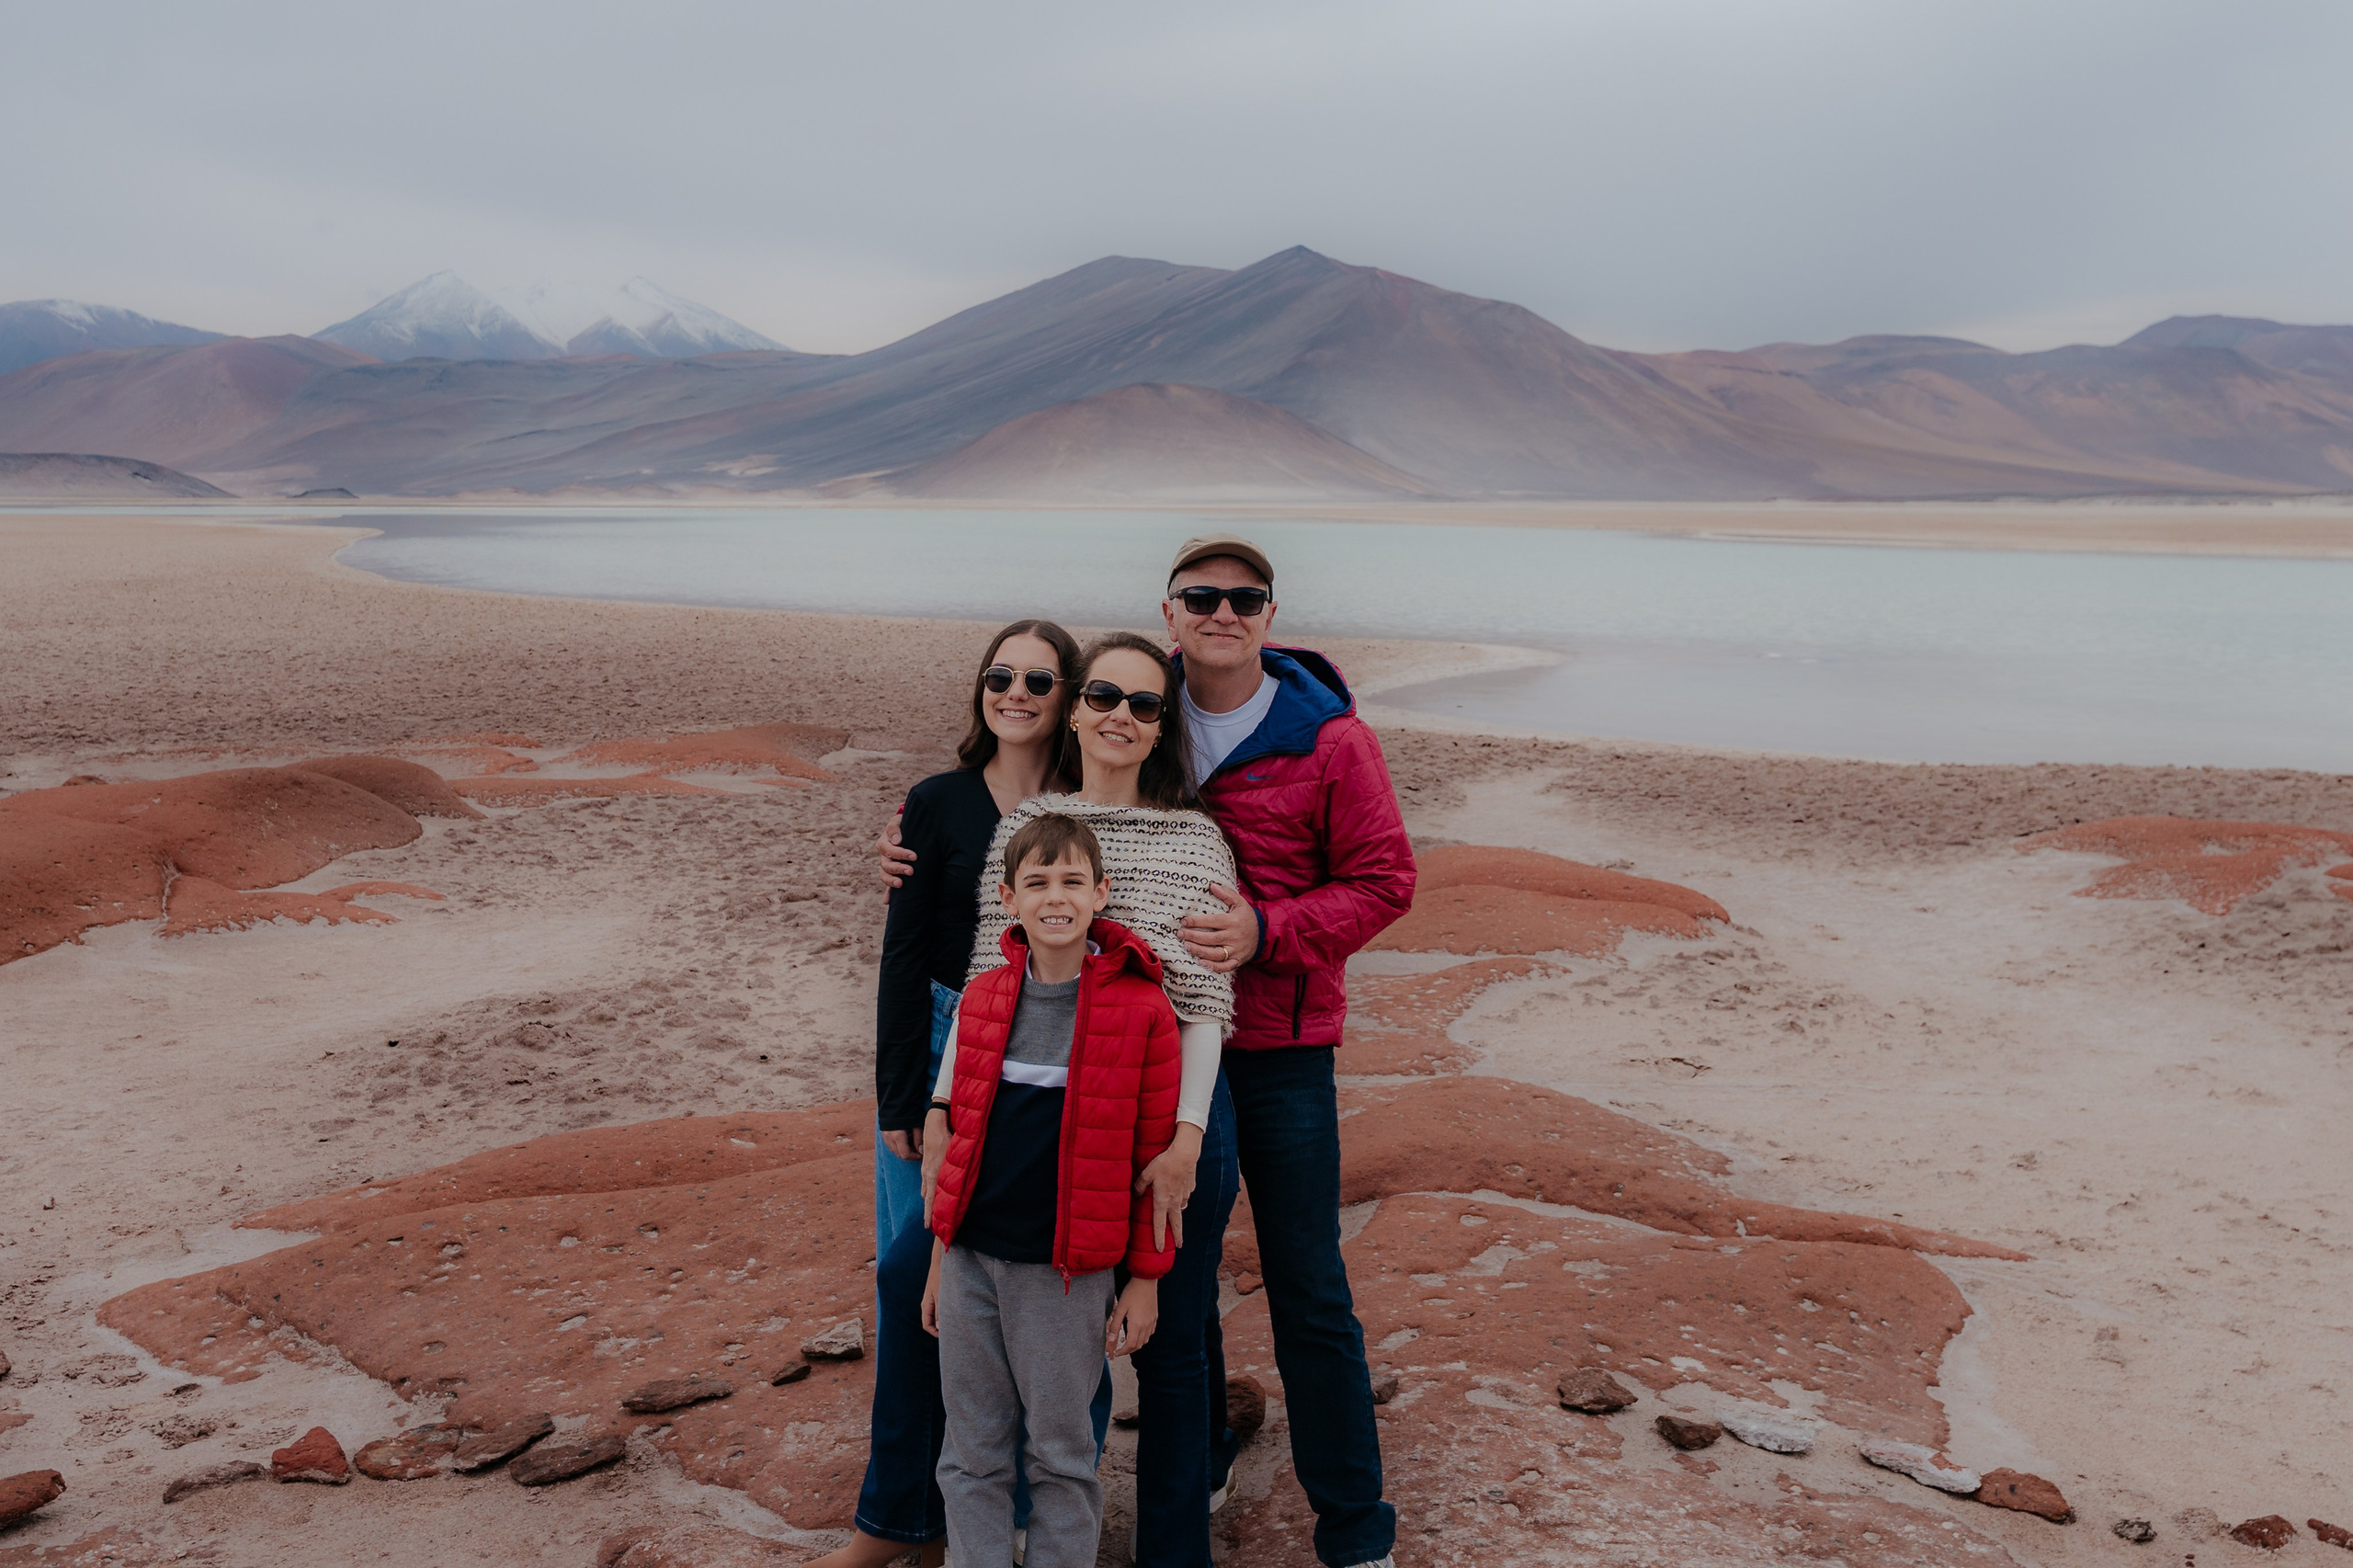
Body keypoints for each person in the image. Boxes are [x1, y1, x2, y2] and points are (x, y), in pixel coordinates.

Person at [885, 537, 1416, 1568]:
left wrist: (1266, 931)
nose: (1223, 612)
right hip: (1124, 1071)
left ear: (1269, 614)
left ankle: (1354, 1533)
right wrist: (914, 837)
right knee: (1173, 1298)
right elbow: (1015, 857)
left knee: (1305, 1283)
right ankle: (1186, 1471)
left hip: (1276, 1042)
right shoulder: (1124, 708)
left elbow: (1384, 882)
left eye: (1245, 598)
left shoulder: (1329, 739)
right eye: (1201, 596)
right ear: (1170, 612)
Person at [823, 629, 1239, 1568]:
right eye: (1104, 696)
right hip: (1027, 1122)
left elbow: (1204, 1005)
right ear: (1076, 711)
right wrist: (939, 1108)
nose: (1120, 715)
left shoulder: (1193, 837)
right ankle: (966, 1520)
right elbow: (986, 986)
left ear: (1162, 726)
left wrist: (1185, 1137)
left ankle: (1160, 1547)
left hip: (1161, 1116)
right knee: (959, 1286)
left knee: (1161, 1333)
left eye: (1143, 703)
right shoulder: (1031, 826)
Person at [820, 619, 1080, 1568]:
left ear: (1068, 696)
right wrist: (897, 1100)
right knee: (914, 1290)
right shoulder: (934, 803)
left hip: (1040, 1058)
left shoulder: (1083, 809)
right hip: (940, 1040)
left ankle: (1001, 1515)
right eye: (1000, 675)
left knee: (1016, 1293)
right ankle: (904, 1524)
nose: (1015, 693)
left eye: (1038, 680)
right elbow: (901, 956)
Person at [920, 811, 1181, 1568]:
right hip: (970, 1263)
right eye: (1037, 882)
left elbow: (1152, 1160)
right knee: (970, 1453)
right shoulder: (983, 998)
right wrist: (939, 1259)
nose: (1056, 897)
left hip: (1065, 1278)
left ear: (1101, 893)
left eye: (1073, 881)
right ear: (1009, 898)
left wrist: (1145, 1280)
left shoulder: (1142, 1009)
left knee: (1061, 1458)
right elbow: (960, 1149)